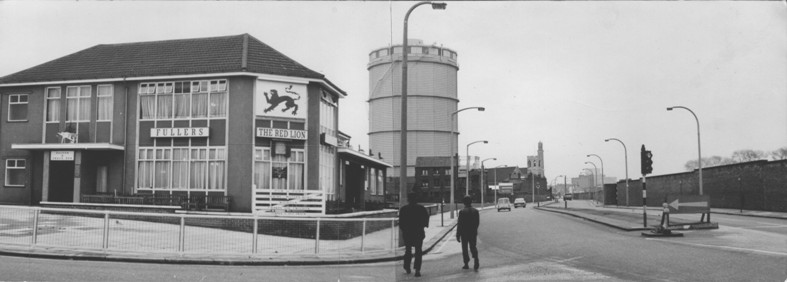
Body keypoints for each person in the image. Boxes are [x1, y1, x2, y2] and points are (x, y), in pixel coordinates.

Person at [399, 192, 429, 277]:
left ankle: (407, 267)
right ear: (416, 199)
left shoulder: (404, 209)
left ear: (408, 199)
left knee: (408, 251)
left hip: (407, 233)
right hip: (418, 233)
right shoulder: (421, 208)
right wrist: (423, 226)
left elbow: (401, 223)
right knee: (418, 251)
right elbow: (426, 220)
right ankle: (417, 270)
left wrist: (404, 230)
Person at [456, 195, 480, 271]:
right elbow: (477, 223)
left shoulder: (462, 212)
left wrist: (458, 235)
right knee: (473, 246)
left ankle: (466, 264)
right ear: (471, 202)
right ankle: (476, 258)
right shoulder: (476, 211)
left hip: (464, 233)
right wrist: (474, 230)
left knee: (465, 248)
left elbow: (459, 224)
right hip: (473, 232)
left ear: (464, 203)